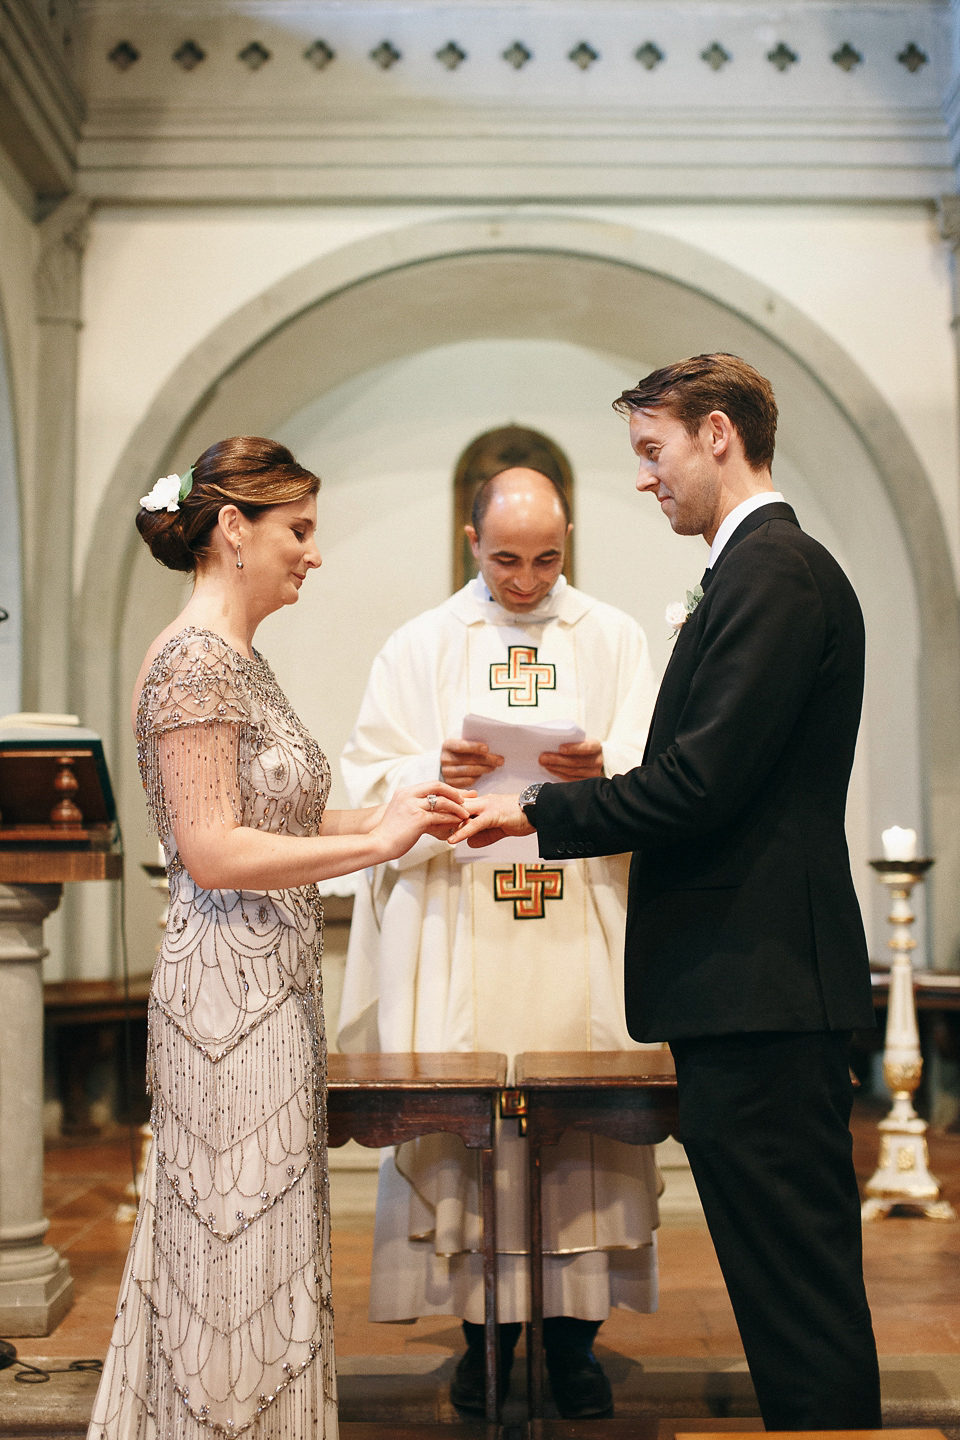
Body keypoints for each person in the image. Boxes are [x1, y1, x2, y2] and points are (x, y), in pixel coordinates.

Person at [449, 355, 883, 1431]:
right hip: (753, 988)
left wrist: (539, 816)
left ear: (719, 434)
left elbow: (703, 782)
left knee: (799, 1292)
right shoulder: (756, 572)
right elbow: (716, 774)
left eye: (654, 451)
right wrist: (602, 792)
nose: (646, 480)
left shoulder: (773, 573)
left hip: (764, 988)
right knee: (787, 1288)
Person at [87, 438, 468, 1440]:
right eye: (298, 530)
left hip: (271, 993)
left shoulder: (241, 663)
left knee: (266, 1249)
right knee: (228, 1254)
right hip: (223, 1005)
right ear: (232, 529)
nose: (312, 553)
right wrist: (376, 842)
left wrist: (399, 810)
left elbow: (278, 822)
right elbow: (211, 851)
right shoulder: (192, 664)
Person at [338, 466, 662, 1419]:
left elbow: (659, 766)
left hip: (579, 914)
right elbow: (369, 773)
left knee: (584, 1136)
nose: (527, 581)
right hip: (462, 912)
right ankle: (486, 1341)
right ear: (470, 539)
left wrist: (604, 767)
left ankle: (575, 1347)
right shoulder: (419, 645)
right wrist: (429, 766)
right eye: (508, 559)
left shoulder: (614, 637)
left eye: (548, 559)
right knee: (475, 1135)